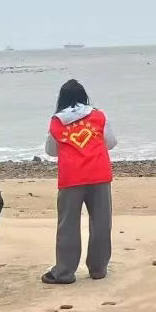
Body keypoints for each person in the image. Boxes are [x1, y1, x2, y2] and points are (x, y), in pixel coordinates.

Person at [41, 79, 118, 285]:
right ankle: (98, 268)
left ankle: (64, 272)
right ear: (84, 96)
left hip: (71, 177)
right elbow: (111, 142)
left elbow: (51, 151)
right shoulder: (99, 116)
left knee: (68, 225)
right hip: (99, 174)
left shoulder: (57, 121)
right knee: (101, 222)